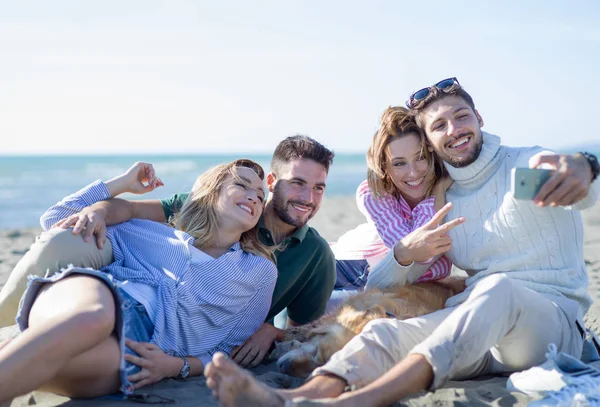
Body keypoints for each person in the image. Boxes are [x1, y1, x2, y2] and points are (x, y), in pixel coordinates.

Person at [203, 77, 600, 407]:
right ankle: (297, 400)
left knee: (498, 290)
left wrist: (585, 166)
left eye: (461, 117)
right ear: (430, 139)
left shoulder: (527, 161)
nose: (454, 130)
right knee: (383, 333)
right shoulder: (447, 196)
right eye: (439, 126)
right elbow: (396, 275)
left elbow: (580, 187)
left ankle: (355, 404)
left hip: (551, 325)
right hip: (479, 328)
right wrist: (406, 252)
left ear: (479, 118)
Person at [0, 135, 337, 368]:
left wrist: (273, 331)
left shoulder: (315, 255)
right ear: (273, 182)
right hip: (120, 272)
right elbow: (128, 212)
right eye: (298, 183)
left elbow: (302, 331)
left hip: (162, 327)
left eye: (319, 187)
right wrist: (100, 209)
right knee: (62, 239)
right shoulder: (210, 207)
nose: (308, 198)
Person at [0, 159, 278, 402]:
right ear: (211, 191)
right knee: (94, 316)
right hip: (96, 294)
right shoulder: (155, 233)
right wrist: (120, 184)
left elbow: (229, 348)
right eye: (242, 185)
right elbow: (56, 220)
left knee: (58, 366)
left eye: (260, 194)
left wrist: (176, 366)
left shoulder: (258, 271)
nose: (254, 196)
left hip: (144, 347)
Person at [326, 106, 457, 310]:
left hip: (386, 281)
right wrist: (437, 193)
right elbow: (419, 247)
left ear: (432, 155)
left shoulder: (454, 192)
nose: (413, 173)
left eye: (420, 157)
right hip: (345, 268)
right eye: (399, 164)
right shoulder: (373, 193)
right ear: (384, 168)